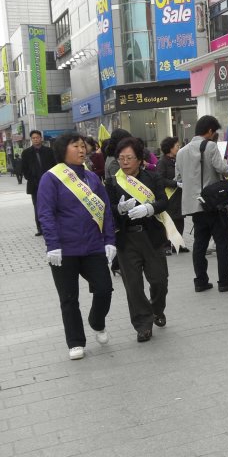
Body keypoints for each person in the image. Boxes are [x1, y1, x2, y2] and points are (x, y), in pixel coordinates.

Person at [37, 132, 116, 360]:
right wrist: (52, 244)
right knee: (69, 298)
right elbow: (45, 213)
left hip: (93, 246)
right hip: (64, 249)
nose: (82, 150)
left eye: (83, 146)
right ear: (63, 150)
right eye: (76, 146)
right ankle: (75, 342)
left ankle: (97, 321)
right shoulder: (51, 178)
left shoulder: (92, 178)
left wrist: (110, 240)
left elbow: (105, 210)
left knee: (104, 289)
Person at [105, 137, 169, 343]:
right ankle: (143, 325)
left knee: (159, 280)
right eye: (121, 158)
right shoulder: (113, 182)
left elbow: (163, 201)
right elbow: (108, 209)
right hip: (127, 239)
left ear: (140, 159)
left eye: (129, 158)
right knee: (133, 285)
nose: (124, 162)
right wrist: (119, 209)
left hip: (151, 237)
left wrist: (150, 208)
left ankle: (156, 309)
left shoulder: (153, 177)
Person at [175, 115, 228, 293]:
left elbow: (178, 177)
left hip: (194, 206)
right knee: (221, 243)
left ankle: (200, 281)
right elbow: (222, 168)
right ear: (210, 131)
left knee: (199, 244)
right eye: (214, 132)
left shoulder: (181, 152)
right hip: (213, 203)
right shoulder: (210, 146)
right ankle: (225, 281)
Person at [20, 130, 56, 236]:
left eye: (37, 137)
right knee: (38, 207)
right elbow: (24, 169)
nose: (35, 139)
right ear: (31, 140)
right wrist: (31, 178)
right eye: (33, 138)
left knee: (52, 205)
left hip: (49, 184)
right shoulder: (26, 153)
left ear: (41, 138)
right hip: (35, 185)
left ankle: (53, 225)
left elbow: (55, 165)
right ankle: (40, 228)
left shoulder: (49, 151)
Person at [156, 136, 188, 254]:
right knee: (169, 219)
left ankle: (178, 244)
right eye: (177, 146)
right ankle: (166, 245)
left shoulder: (177, 160)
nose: (179, 148)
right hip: (169, 195)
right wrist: (175, 183)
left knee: (180, 218)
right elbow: (160, 179)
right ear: (170, 148)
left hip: (179, 194)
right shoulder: (162, 162)